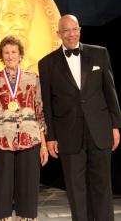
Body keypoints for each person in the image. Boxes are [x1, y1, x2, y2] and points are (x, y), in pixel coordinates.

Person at [38, 14, 121, 221]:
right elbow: (47, 103)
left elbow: (110, 92)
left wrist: (115, 125)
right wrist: (51, 137)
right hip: (68, 133)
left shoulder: (99, 54)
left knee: (102, 184)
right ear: (58, 34)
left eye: (74, 29)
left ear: (80, 30)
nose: (71, 34)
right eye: (65, 31)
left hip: (99, 129)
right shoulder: (47, 63)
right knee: (76, 188)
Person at [0, 35, 48, 221]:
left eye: (14, 52)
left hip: (29, 140)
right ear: (1, 55)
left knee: (28, 188)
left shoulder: (32, 78)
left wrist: (43, 145)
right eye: (6, 52)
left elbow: (39, 112)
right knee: (1, 188)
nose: (10, 56)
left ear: (20, 55)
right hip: (0, 141)